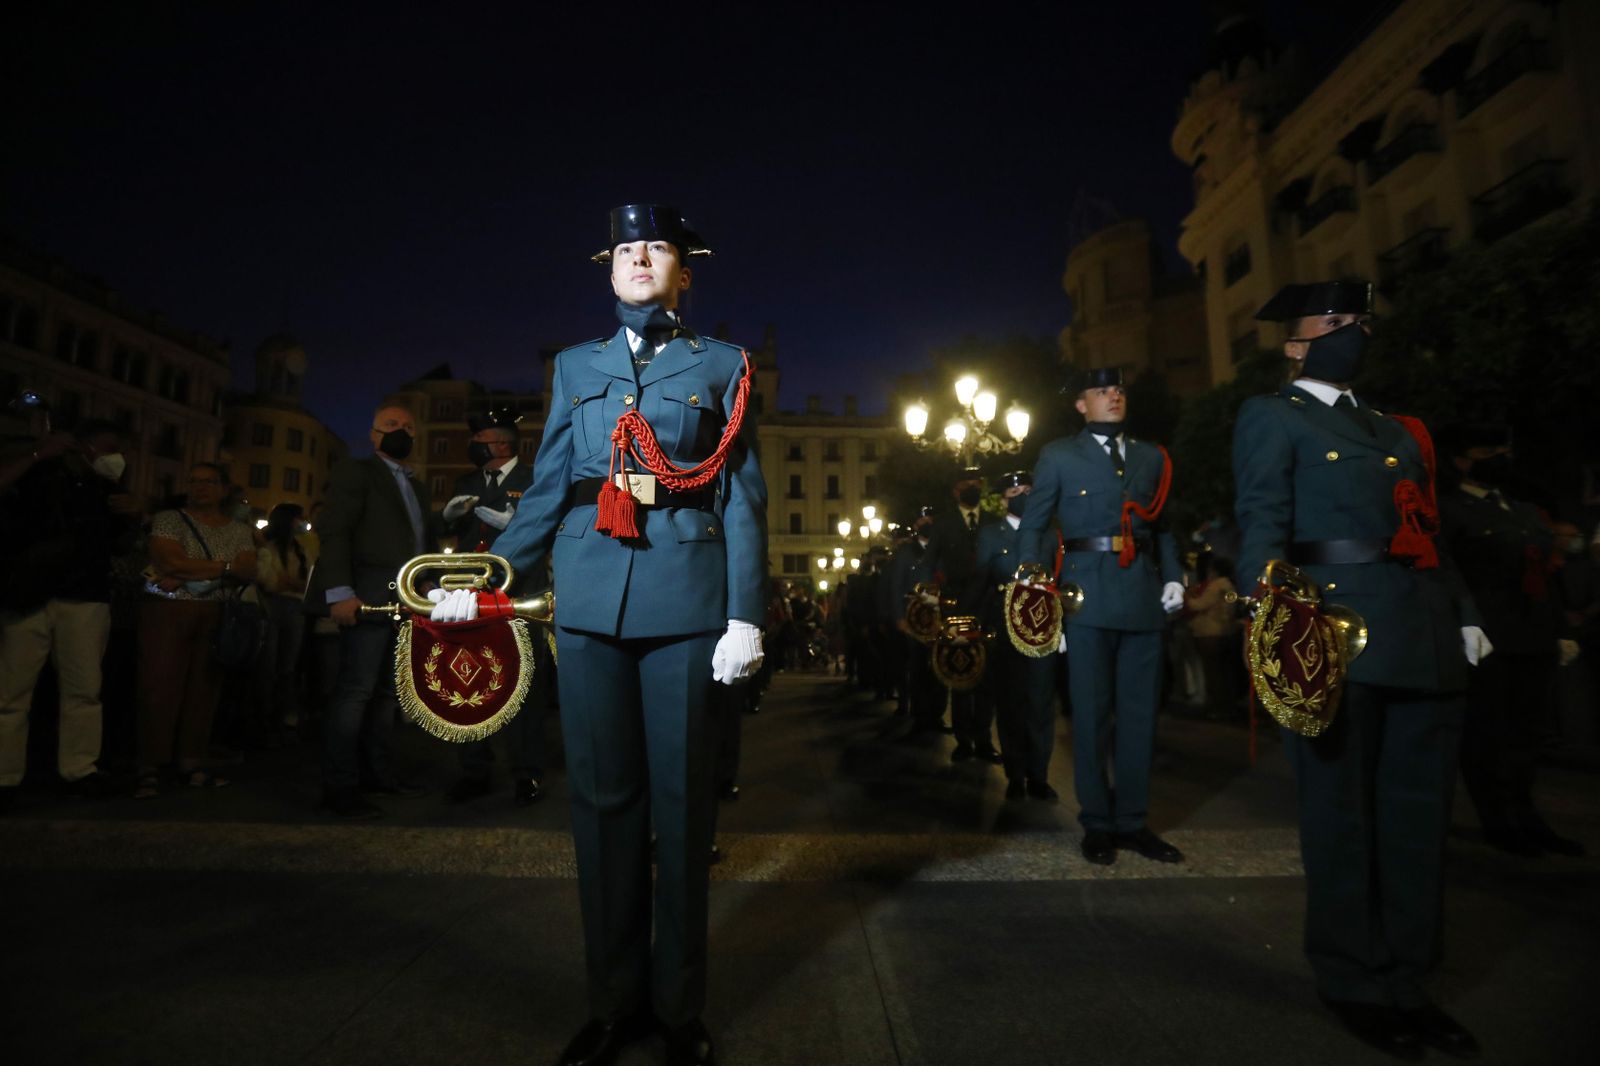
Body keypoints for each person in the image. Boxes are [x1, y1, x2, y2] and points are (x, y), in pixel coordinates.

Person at [453, 204, 766, 1066]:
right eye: (625, 249)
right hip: (589, 592)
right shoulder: (575, 365)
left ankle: (678, 1008)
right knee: (600, 807)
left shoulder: (726, 364)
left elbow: (740, 492)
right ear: (609, 269)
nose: (638, 259)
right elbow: (549, 487)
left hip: (686, 596)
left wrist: (746, 611)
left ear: (683, 272)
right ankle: (613, 1003)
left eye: (655, 248)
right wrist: (482, 579)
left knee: (682, 804)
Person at [1236, 280, 1484, 1059]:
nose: (1356, 334)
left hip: (1422, 631)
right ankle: (1351, 980)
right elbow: (1262, 522)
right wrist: (1274, 622)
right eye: (1337, 322)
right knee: (1342, 821)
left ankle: (1411, 982)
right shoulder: (1273, 415)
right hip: (1335, 637)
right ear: (1295, 342)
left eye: (1361, 322)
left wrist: (1466, 612)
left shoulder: (1393, 428)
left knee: (1416, 825)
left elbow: (1426, 525)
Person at [1018, 367, 1186, 865]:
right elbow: (1034, 524)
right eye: (1101, 391)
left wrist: (1174, 575)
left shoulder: (1152, 456)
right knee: (1090, 715)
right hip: (1084, 596)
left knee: (1139, 718)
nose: (1113, 396)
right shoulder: (1059, 456)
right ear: (1080, 405)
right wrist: (1035, 591)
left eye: (1118, 390)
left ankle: (1133, 821)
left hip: (1141, 595)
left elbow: (1165, 527)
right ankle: (1097, 822)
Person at [1438, 424, 1584, 857]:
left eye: (1503, 448)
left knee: (1527, 735)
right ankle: (1498, 820)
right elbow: (1450, 577)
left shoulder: (1520, 508)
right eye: (1488, 450)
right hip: (1487, 636)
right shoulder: (1450, 510)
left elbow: (1545, 571)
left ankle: (1526, 815)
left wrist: (1561, 631)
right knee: (1488, 735)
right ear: (1464, 459)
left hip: (1533, 634)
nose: (1500, 456)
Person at [306, 404, 438, 819]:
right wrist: (340, 591)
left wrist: (427, 585)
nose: (402, 431)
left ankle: (376, 775)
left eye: (408, 426)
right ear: (374, 435)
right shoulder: (357, 472)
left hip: (400, 601)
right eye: (392, 425)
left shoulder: (416, 487)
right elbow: (336, 530)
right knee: (355, 691)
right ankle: (339, 787)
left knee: (383, 696)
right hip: (363, 598)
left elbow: (418, 545)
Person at [0, 417, 139, 810]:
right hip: (30, 592)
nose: (118, 457)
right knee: (12, 692)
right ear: (84, 445)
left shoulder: (106, 487)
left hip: (86, 595)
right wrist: (36, 454)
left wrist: (132, 514)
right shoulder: (38, 472)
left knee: (83, 691)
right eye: (112, 447)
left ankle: (78, 770)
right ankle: (6, 775)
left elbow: (118, 546)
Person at [437, 408, 549, 807]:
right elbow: (448, 533)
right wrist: (447, 521)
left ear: (502, 443)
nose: (474, 444)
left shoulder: (534, 479)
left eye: (480, 437)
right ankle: (474, 769)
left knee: (525, 688)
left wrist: (515, 526)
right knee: (469, 681)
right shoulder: (468, 481)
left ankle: (527, 772)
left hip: (519, 592)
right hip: (469, 594)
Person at [136, 462, 258, 797]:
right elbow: (168, 562)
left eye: (209, 481)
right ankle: (151, 763)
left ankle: (191, 762)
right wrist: (225, 568)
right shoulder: (169, 519)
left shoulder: (238, 528)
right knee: (160, 685)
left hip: (216, 612)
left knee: (204, 690)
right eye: (194, 481)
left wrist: (195, 571)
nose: (200, 487)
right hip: (167, 610)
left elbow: (248, 570)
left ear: (223, 488)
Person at [975, 470, 1058, 800]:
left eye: (1027, 489)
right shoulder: (990, 535)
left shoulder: (1048, 535)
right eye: (1015, 491)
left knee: (1040, 703)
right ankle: (1015, 774)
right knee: (1011, 704)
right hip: (1004, 630)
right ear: (1004, 499)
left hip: (1043, 631)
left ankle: (1039, 775)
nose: (1022, 495)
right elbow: (981, 581)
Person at [923, 467, 1001, 763]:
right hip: (956, 609)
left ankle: (983, 739)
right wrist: (929, 602)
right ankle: (963, 739)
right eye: (966, 484)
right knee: (960, 673)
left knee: (987, 678)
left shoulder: (994, 522)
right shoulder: (943, 525)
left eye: (977, 483)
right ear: (955, 490)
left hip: (988, 606)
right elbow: (929, 564)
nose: (973, 487)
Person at [253, 502, 311, 746]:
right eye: (299, 519)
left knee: (287, 667)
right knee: (268, 665)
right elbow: (269, 581)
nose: (303, 524)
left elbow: (304, 583)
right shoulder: (267, 546)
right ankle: (264, 719)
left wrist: (289, 583)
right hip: (272, 606)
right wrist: (289, 584)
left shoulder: (300, 548)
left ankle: (281, 718)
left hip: (294, 608)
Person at [889, 508, 942, 732]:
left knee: (939, 668)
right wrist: (899, 617)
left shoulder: (941, 550)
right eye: (922, 520)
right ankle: (920, 714)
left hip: (939, 617)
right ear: (916, 524)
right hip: (915, 620)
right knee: (919, 668)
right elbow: (896, 587)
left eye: (930, 519)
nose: (926, 523)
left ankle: (937, 714)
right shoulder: (905, 554)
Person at [1184, 554, 1242, 721]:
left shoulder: (1216, 586)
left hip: (1210, 632)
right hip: (1227, 631)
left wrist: (1186, 596)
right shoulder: (1230, 585)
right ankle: (1229, 707)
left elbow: (1198, 605)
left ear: (1214, 570)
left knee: (1214, 673)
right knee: (1226, 673)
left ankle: (1218, 709)